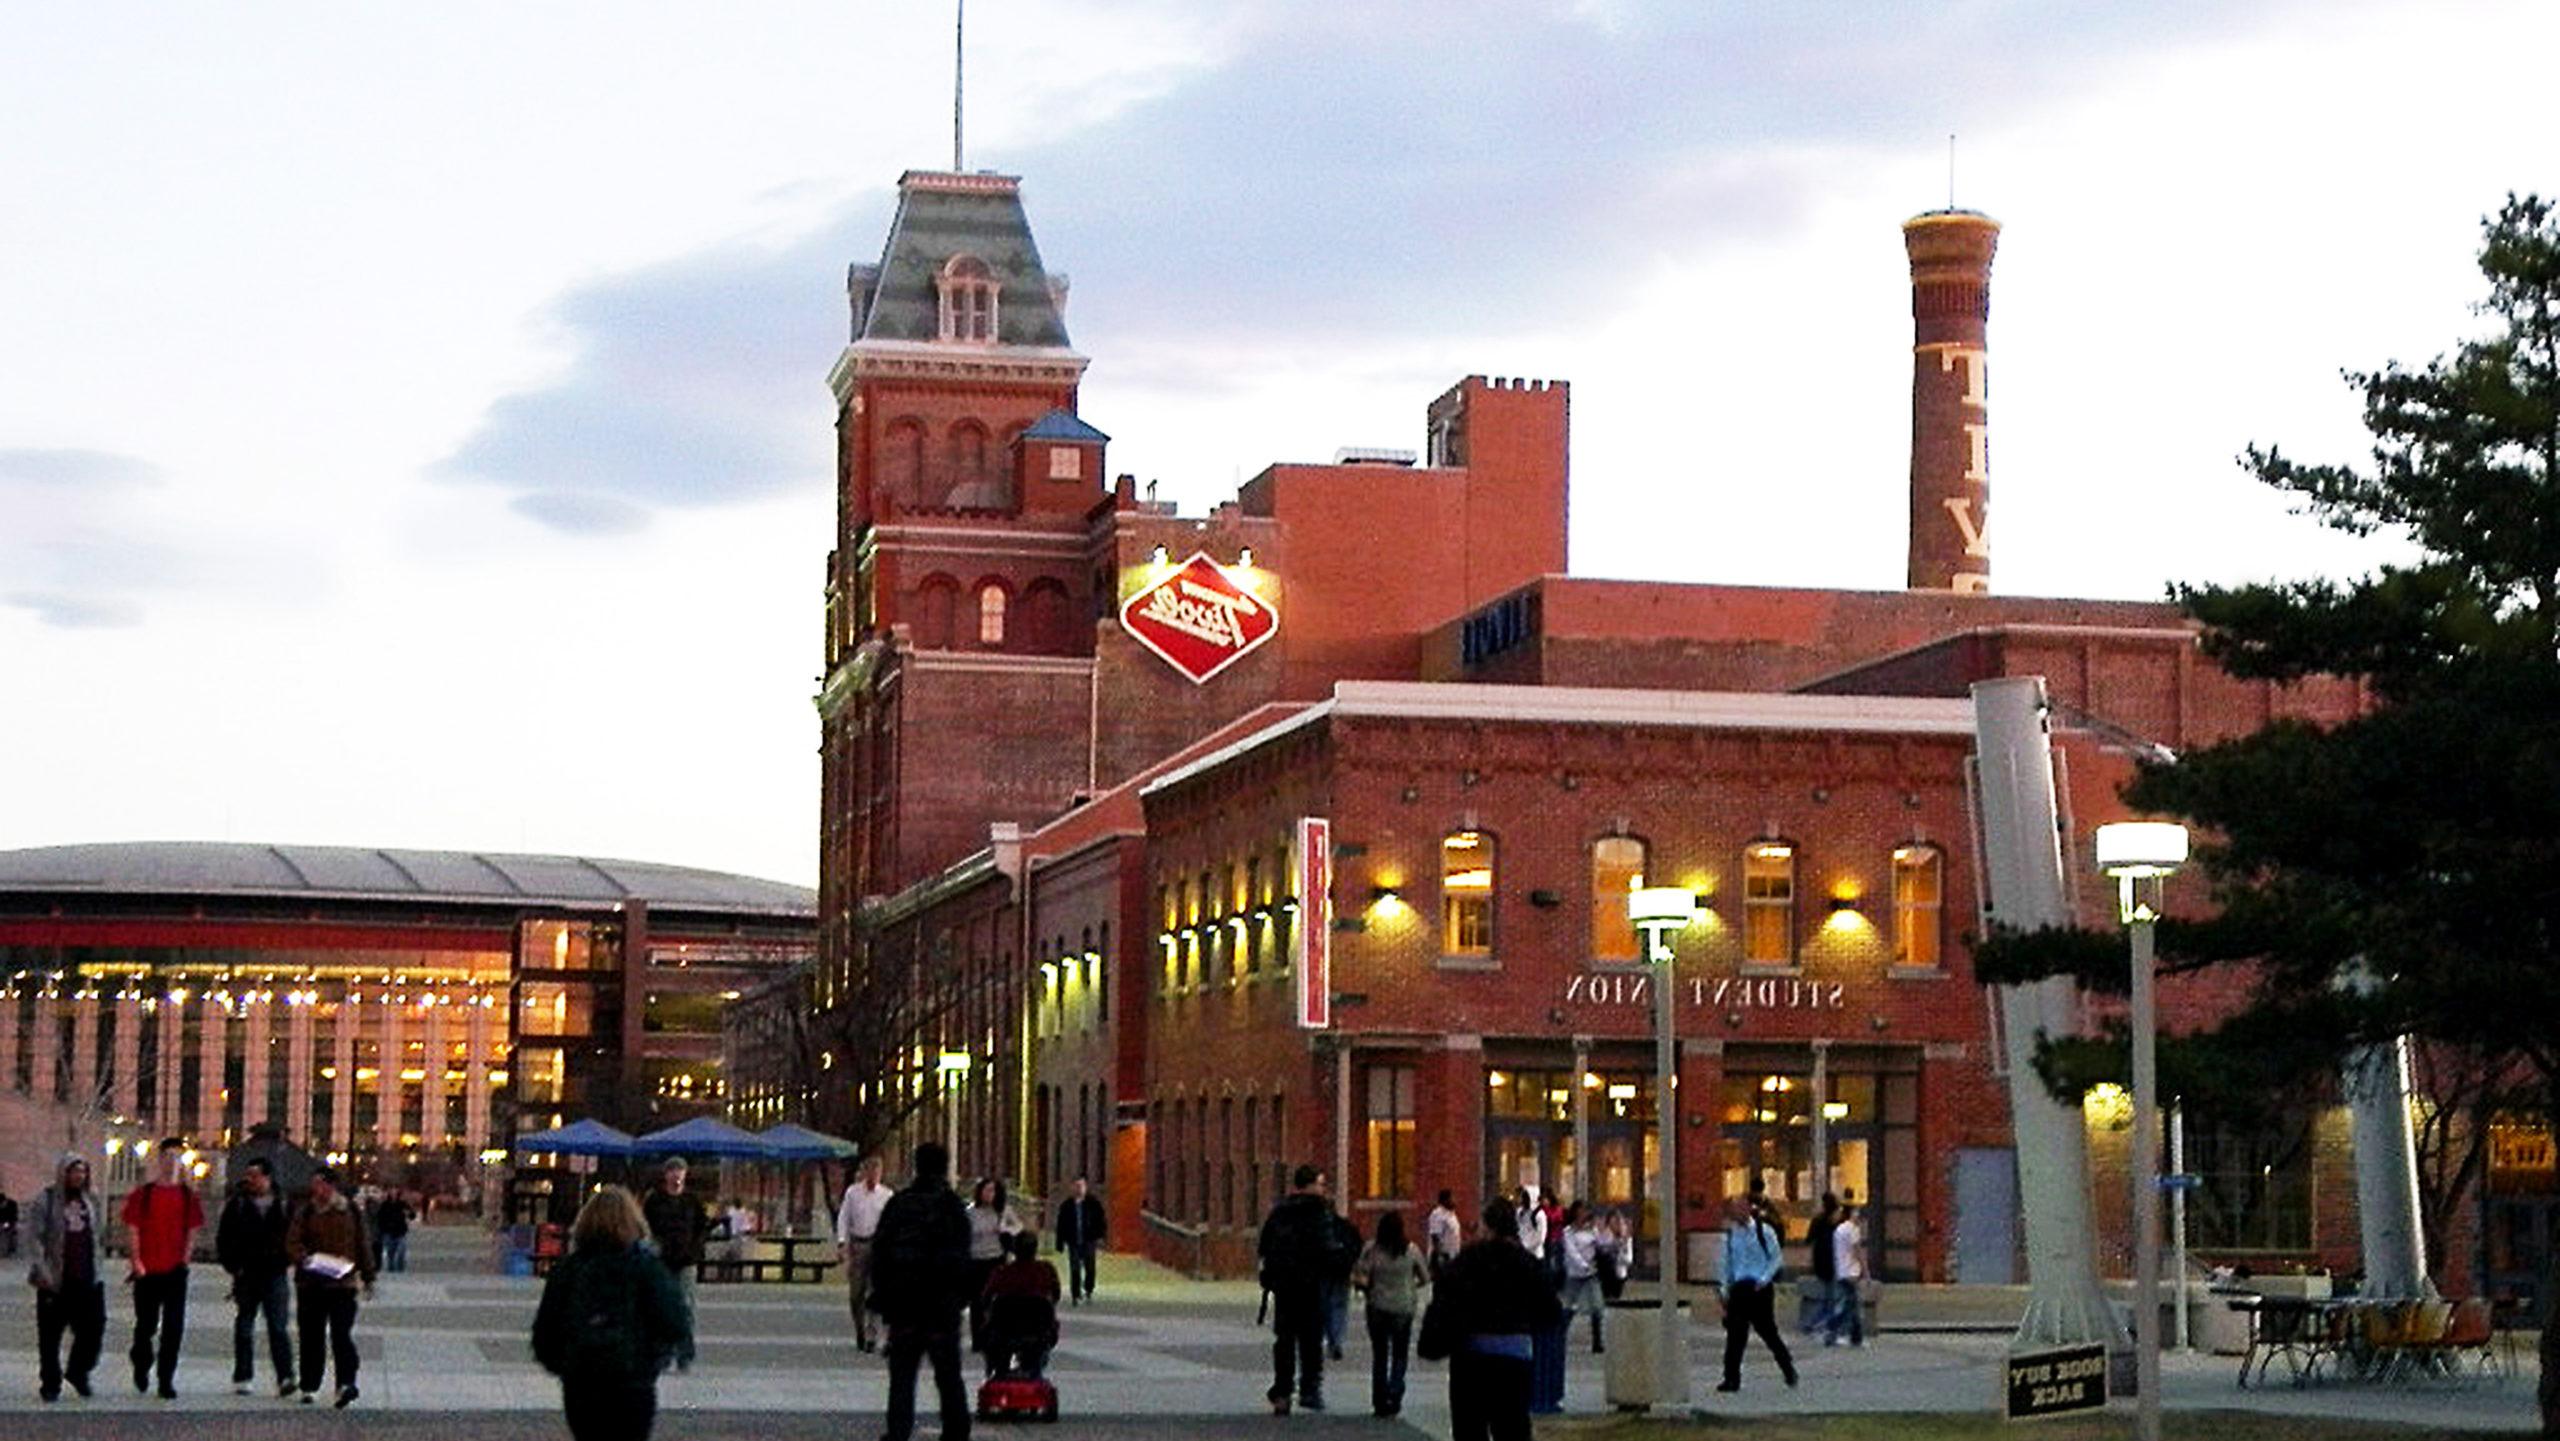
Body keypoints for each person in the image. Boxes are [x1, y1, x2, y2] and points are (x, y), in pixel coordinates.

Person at [532, 1185, 690, 1441]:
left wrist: (564, 1365)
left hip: (582, 1381)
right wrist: (653, 1360)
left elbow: (545, 1331)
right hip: (632, 1381)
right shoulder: (646, 1268)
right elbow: (674, 1323)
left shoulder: (569, 1269)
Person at [1423, 1196, 1560, 1441]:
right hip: (1515, 1356)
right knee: (1512, 1426)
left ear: (1487, 1226)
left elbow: (1445, 1301)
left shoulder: (1467, 1262)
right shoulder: (1528, 1264)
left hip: (1471, 1356)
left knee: (1470, 1427)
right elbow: (1550, 1312)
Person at [869, 1141, 973, 1441]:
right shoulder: (953, 1208)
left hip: (905, 1305)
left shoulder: (899, 1205)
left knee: (902, 1376)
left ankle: (899, 1431)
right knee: (948, 1375)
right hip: (942, 1305)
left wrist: (883, 1299)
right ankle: (956, 1429)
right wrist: (961, 1298)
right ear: (944, 1167)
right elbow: (965, 1259)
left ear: (916, 1166)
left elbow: (881, 1253)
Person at [122, 1136, 204, 1399]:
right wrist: (136, 1261)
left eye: (177, 1157)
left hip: (175, 1270)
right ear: (159, 1159)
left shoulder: (187, 1196)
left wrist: (185, 1261)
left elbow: (192, 1230)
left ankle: (166, 1378)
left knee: (173, 1327)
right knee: (146, 1324)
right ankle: (141, 1361)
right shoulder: (143, 1195)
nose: (172, 1163)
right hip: (147, 1270)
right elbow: (133, 1229)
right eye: (168, 1157)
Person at [286, 1167, 376, 1407]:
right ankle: (309, 1385)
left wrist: (368, 1276)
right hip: (311, 1283)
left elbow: (362, 1243)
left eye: (318, 1184)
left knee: (341, 1335)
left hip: (342, 1284)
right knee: (311, 1336)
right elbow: (292, 1242)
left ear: (330, 1185)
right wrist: (306, 1259)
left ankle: (346, 1383)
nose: (314, 1189)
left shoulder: (351, 1211)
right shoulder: (305, 1212)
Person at [1256, 1164, 1341, 1414]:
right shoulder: (1320, 1213)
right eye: (1321, 1183)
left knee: (1284, 1341)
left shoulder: (1280, 1212)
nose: (1324, 1189)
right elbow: (1328, 1248)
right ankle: (1309, 1389)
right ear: (1311, 1185)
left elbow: (1264, 1246)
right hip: (1312, 1286)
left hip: (1284, 1287)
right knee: (1311, 1340)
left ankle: (1282, 1391)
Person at [27, 1154, 105, 1403]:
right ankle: (50, 1382)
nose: (78, 1176)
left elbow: (97, 1236)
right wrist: (43, 1269)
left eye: (82, 1171)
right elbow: (35, 1237)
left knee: (93, 1329)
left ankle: (78, 1371)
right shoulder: (47, 1200)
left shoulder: (90, 1199)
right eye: (74, 1171)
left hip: (87, 1277)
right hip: (56, 1279)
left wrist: (98, 1269)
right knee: (50, 1336)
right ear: (64, 1173)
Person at [216, 1158, 297, 1397]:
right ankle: (243, 1375)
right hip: (246, 1274)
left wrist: (286, 1260)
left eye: (254, 1175)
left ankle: (285, 1376)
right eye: (248, 1174)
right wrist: (233, 1266)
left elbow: (294, 1235)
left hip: (274, 1273)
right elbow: (224, 1237)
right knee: (244, 1326)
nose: (249, 1179)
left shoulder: (284, 1204)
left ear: (267, 1177)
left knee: (278, 1327)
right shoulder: (237, 1204)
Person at [1715, 1192, 1797, 1393]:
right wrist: (1723, 1290)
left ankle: (1788, 1368)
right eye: (1734, 1210)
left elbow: (1776, 1258)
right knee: (1735, 1336)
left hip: (1759, 1288)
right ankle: (1731, 1378)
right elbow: (1726, 1264)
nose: (1737, 1213)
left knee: (1768, 1332)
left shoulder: (1764, 1231)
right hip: (1739, 1289)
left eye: (1740, 1209)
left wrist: (1764, 1279)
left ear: (1748, 1209)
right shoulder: (1730, 1236)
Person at [1351, 1210, 1427, 1418]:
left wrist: (1368, 1288)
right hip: (1404, 1307)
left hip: (1378, 1306)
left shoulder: (1372, 1249)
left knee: (1380, 1354)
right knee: (1400, 1353)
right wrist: (1410, 1287)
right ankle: (1395, 1391)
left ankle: (1379, 1399)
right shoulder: (1411, 1250)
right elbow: (1425, 1277)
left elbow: (1361, 1277)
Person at [640, 1157, 709, 1372]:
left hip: (686, 1261)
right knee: (660, 1307)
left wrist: (695, 1249)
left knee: (685, 1307)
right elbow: (644, 1226)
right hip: (661, 1261)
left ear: (685, 1174)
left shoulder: (692, 1201)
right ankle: (663, 1353)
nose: (676, 1175)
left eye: (680, 1170)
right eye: (672, 1170)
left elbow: (701, 1227)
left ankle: (684, 1354)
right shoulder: (655, 1200)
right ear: (665, 1175)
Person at [978, 1230, 1061, 1379]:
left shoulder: (1002, 1272)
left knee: (990, 1332)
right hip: (1038, 1331)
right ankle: (1033, 1370)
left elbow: (985, 1299)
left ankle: (997, 1369)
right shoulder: (1046, 1271)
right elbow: (1055, 1295)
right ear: (1035, 1249)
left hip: (1004, 1331)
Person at [835, 1153, 893, 1352]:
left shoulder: (886, 1195)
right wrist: (842, 1243)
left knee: (875, 1293)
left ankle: (871, 1334)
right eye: (871, 1170)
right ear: (865, 1172)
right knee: (856, 1294)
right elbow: (844, 1218)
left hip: (878, 1246)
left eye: (878, 1171)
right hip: (858, 1245)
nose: (874, 1175)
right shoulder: (853, 1193)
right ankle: (859, 1329)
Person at [963, 1178, 1019, 1357]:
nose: (989, 1195)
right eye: (986, 1191)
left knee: (994, 1301)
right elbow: (965, 1233)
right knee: (977, 1301)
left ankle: (994, 1336)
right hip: (976, 1259)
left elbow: (1017, 1226)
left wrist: (1006, 1230)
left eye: (993, 1191)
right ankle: (977, 1339)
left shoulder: (1003, 1211)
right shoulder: (971, 1212)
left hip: (996, 1259)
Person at [1558, 1202, 1608, 1354]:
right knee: (1568, 1305)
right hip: (1575, 1273)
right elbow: (1571, 1252)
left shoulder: (1591, 1230)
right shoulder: (1568, 1232)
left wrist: (1600, 1230)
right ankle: (1560, 1336)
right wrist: (1583, 1265)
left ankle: (1597, 1340)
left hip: (1591, 1274)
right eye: (1580, 1212)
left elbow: (1603, 1244)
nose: (1582, 1215)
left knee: (1597, 1306)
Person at [1052, 1176, 1105, 1306]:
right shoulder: (1067, 1206)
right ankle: (1075, 1294)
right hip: (1073, 1241)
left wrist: (1100, 1236)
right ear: (1072, 1188)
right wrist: (1059, 1243)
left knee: (1090, 1267)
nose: (1079, 1189)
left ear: (1086, 1187)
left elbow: (1101, 1221)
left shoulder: (1093, 1203)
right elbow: (1061, 1225)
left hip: (1089, 1240)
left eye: (1081, 1186)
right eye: (1076, 1186)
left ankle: (1088, 1290)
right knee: (1074, 1268)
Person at [1824, 1200, 1866, 1348]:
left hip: (1841, 1270)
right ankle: (1836, 1331)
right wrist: (1865, 1270)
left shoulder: (1839, 1230)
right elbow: (1857, 1251)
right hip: (1851, 1271)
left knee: (1849, 1305)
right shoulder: (1853, 1230)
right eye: (1856, 1212)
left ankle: (1853, 1336)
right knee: (1851, 1306)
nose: (1859, 1215)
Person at [1321, 1208, 1361, 1361]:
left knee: (1324, 1306)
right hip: (1342, 1271)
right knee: (1339, 1307)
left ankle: (1331, 1338)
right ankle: (1336, 1340)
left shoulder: (1318, 1227)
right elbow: (1356, 1245)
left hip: (1322, 1272)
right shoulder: (1345, 1227)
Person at [1804, 1193, 1840, 1335]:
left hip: (1820, 1259)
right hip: (1832, 1260)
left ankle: (1818, 1323)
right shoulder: (1836, 1224)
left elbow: (1809, 1239)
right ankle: (1817, 1323)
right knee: (1831, 1296)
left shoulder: (1818, 1220)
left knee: (1828, 1294)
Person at [1425, 1189, 1463, 1281]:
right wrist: (1440, 1257)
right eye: (1452, 1198)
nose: (1455, 1200)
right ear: (1445, 1200)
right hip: (1443, 1257)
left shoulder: (1451, 1214)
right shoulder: (1438, 1214)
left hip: (1452, 1256)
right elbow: (1435, 1236)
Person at [373, 1189, 413, 1274]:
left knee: (401, 1252)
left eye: (395, 1192)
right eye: (392, 1192)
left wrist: (409, 1213)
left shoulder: (402, 1204)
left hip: (401, 1232)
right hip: (388, 1232)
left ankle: (400, 1270)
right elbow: (379, 1218)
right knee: (390, 1253)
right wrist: (382, 1230)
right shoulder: (384, 1205)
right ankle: (391, 1270)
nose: (393, 1194)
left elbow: (412, 1215)